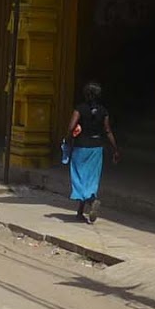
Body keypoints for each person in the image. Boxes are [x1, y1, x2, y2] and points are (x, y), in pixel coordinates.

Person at [63, 81, 119, 223]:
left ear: (85, 94)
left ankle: (91, 201)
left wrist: (68, 140)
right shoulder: (103, 111)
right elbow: (107, 131)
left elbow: (71, 127)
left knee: (79, 177)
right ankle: (80, 212)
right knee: (91, 179)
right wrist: (115, 149)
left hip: (81, 147)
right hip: (96, 148)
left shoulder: (79, 109)